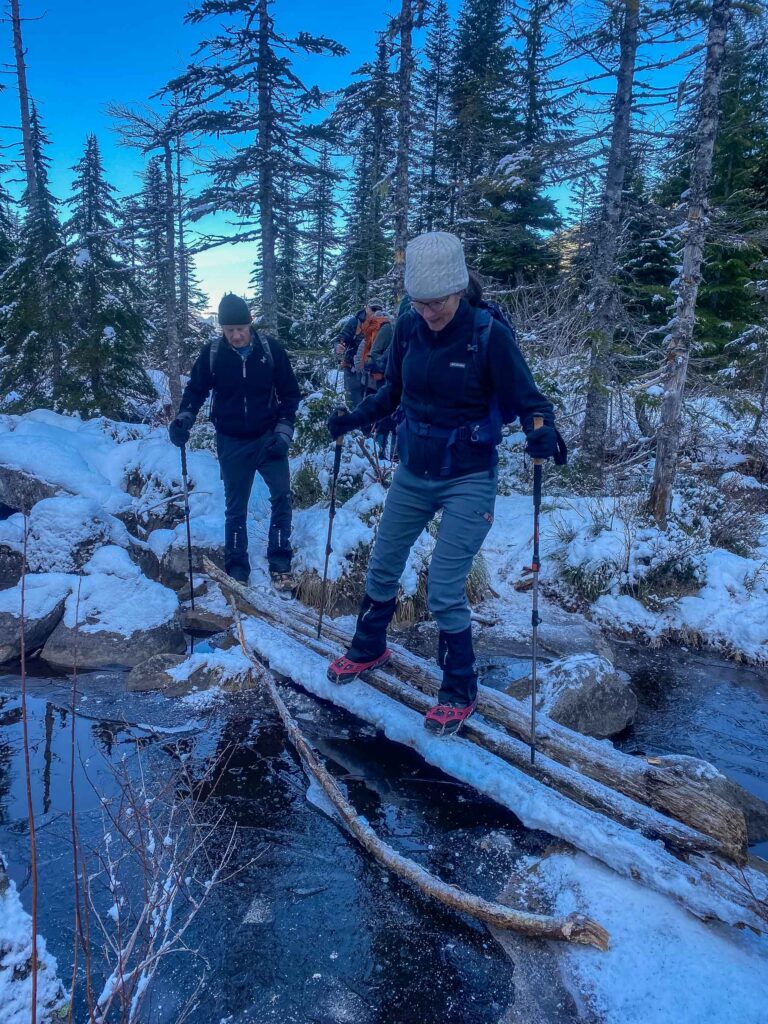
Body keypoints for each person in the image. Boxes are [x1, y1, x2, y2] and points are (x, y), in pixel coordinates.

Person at [325, 232, 566, 736]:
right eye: (420, 301)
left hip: (469, 477)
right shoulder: (409, 327)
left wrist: (541, 434)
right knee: (383, 565)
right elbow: (392, 391)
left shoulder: (487, 334)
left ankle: (459, 688)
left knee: (444, 589)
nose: (428, 311)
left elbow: (531, 402)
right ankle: (370, 647)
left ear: (458, 290)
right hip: (414, 471)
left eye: (437, 302)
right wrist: (352, 419)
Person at [168, 293, 301, 591]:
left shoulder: (270, 350)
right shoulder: (214, 353)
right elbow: (196, 390)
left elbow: (290, 394)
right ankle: (238, 569)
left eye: (241, 328)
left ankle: (280, 562)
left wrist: (283, 433)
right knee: (235, 508)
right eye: (229, 330)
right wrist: (184, 418)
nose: (236, 335)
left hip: (269, 437)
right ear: (222, 329)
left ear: (250, 324)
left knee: (281, 496)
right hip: (231, 441)